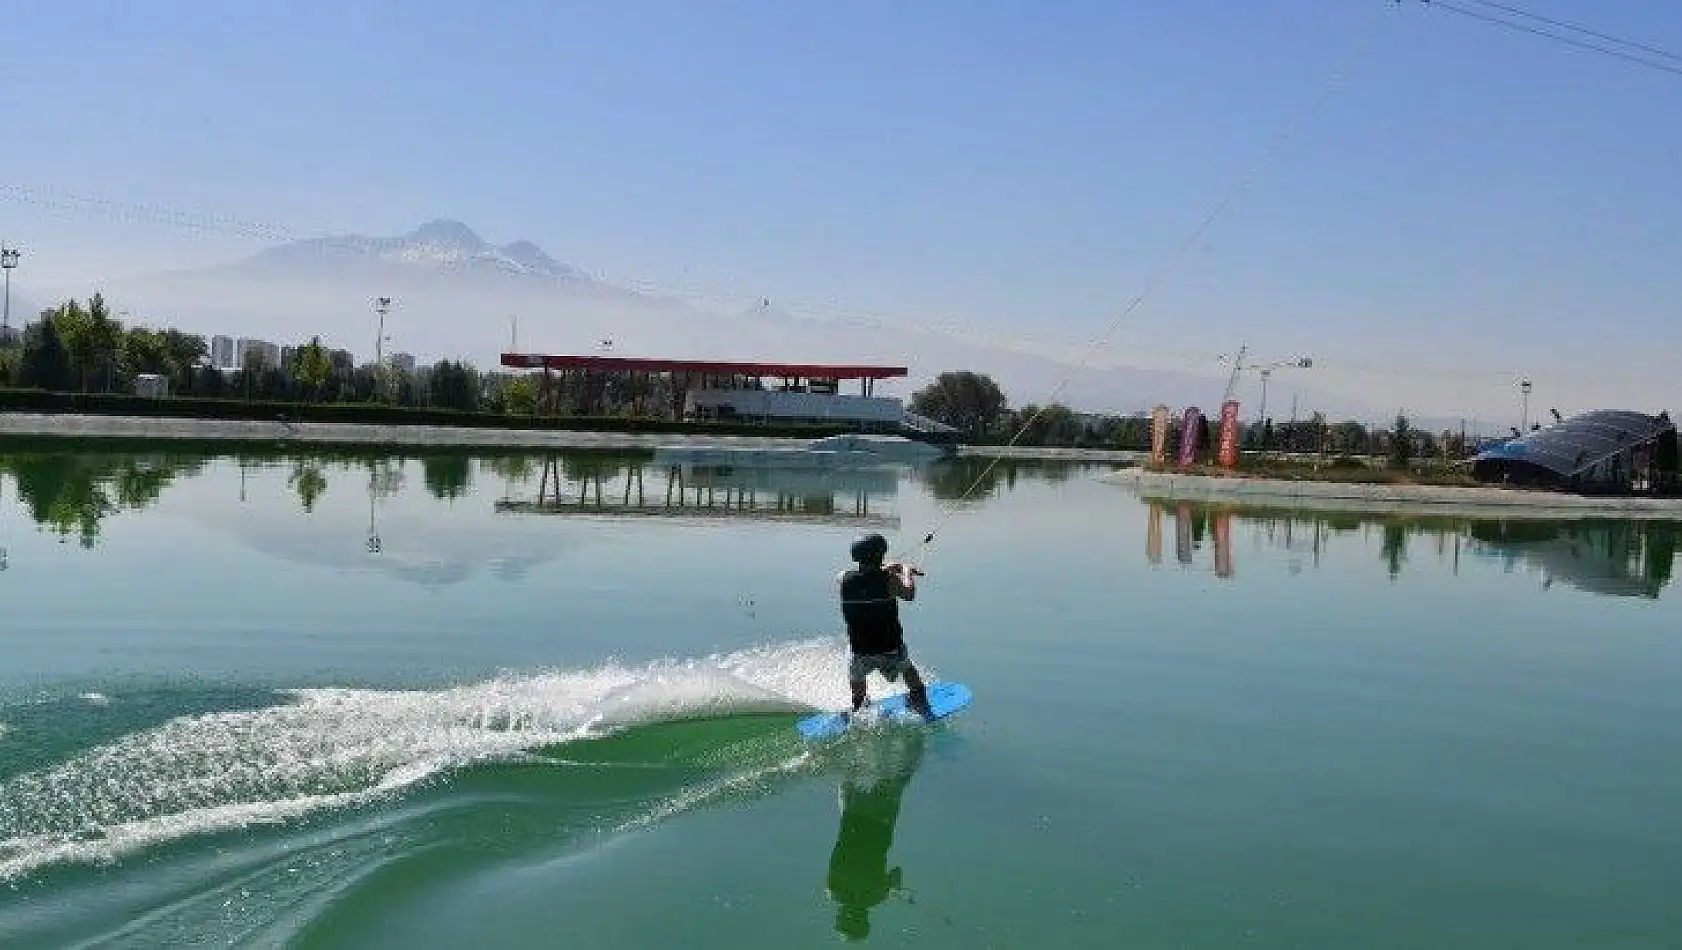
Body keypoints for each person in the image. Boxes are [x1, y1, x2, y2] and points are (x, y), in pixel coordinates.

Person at [838, 533, 932, 720]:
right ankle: (919, 699)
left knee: (856, 677)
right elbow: (908, 593)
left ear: (855, 556)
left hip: (860, 651)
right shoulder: (890, 580)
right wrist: (905, 570)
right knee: (908, 669)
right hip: (890, 648)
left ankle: (858, 707)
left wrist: (886, 569)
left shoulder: (842, 579)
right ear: (881, 555)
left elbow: (868, 580)